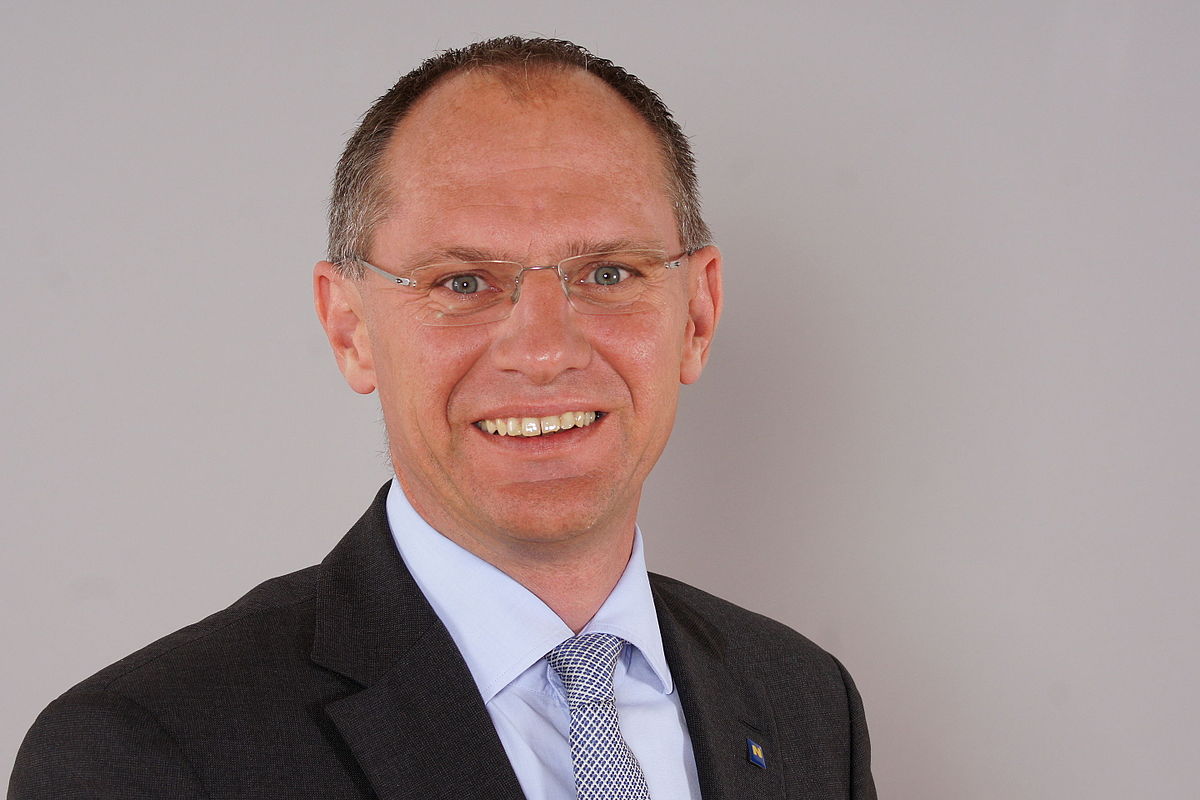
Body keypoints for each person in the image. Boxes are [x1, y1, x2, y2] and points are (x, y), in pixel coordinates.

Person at [10, 36, 876, 799]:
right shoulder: (148, 753)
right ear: (350, 330)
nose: (544, 351)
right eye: (463, 283)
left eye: (609, 273)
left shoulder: (805, 703)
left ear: (698, 314)